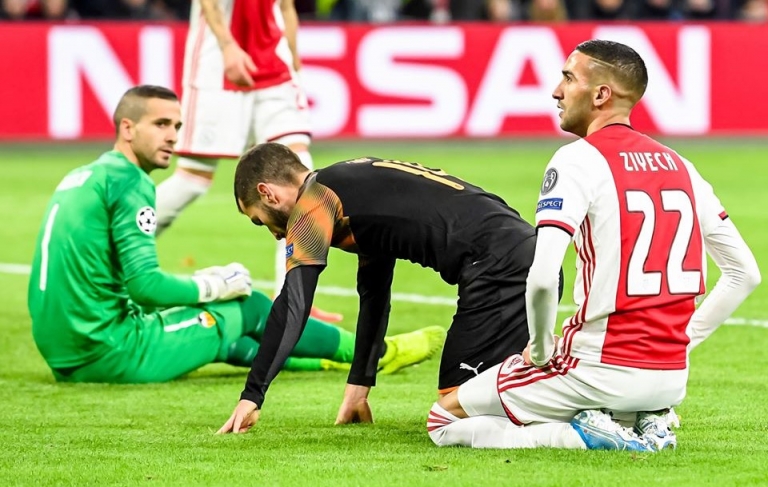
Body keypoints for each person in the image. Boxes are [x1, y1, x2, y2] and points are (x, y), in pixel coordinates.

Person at [426, 40, 761, 451]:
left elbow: (543, 277)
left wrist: (541, 350)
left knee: (443, 419)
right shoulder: (682, 166)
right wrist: (684, 342)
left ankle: (581, 438)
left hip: (596, 368)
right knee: (567, 397)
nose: (556, 91)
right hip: (670, 378)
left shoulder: (577, 160)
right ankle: (637, 421)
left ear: (601, 94)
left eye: (568, 78)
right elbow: (745, 274)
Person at [27, 85, 443, 384]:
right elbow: (145, 287)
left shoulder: (84, 175)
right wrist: (215, 284)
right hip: (109, 351)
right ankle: (381, 353)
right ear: (127, 128)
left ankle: (326, 361)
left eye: (177, 125)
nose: (173, 136)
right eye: (160, 124)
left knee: (227, 334)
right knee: (248, 306)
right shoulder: (130, 182)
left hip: (64, 349)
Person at [216, 144, 555, 434]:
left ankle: (563, 429)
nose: (275, 234)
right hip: (527, 256)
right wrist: (358, 388)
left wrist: (252, 395)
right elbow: (374, 294)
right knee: (493, 392)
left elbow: (293, 305)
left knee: (452, 416)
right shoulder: (351, 186)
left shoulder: (315, 202)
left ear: (268, 193)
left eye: (259, 220)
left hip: (499, 270)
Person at [153, 0, 341, 322]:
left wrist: (293, 55)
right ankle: (107, 251)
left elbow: (286, 6)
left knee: (302, 183)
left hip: (275, 67)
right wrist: (228, 46)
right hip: (219, 65)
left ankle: (292, 300)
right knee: (191, 181)